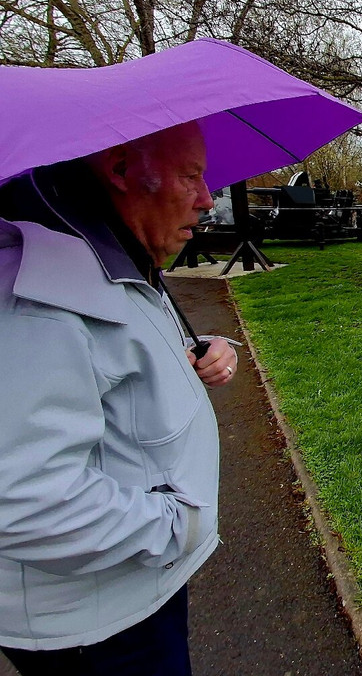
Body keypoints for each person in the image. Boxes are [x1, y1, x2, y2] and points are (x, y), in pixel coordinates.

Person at [0, 121, 238, 675]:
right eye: (191, 176)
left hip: (132, 586)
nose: (207, 199)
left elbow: (116, 355)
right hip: (97, 625)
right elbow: (22, 496)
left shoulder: (106, 258)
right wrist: (178, 526)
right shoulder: (40, 301)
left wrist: (199, 350)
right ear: (123, 169)